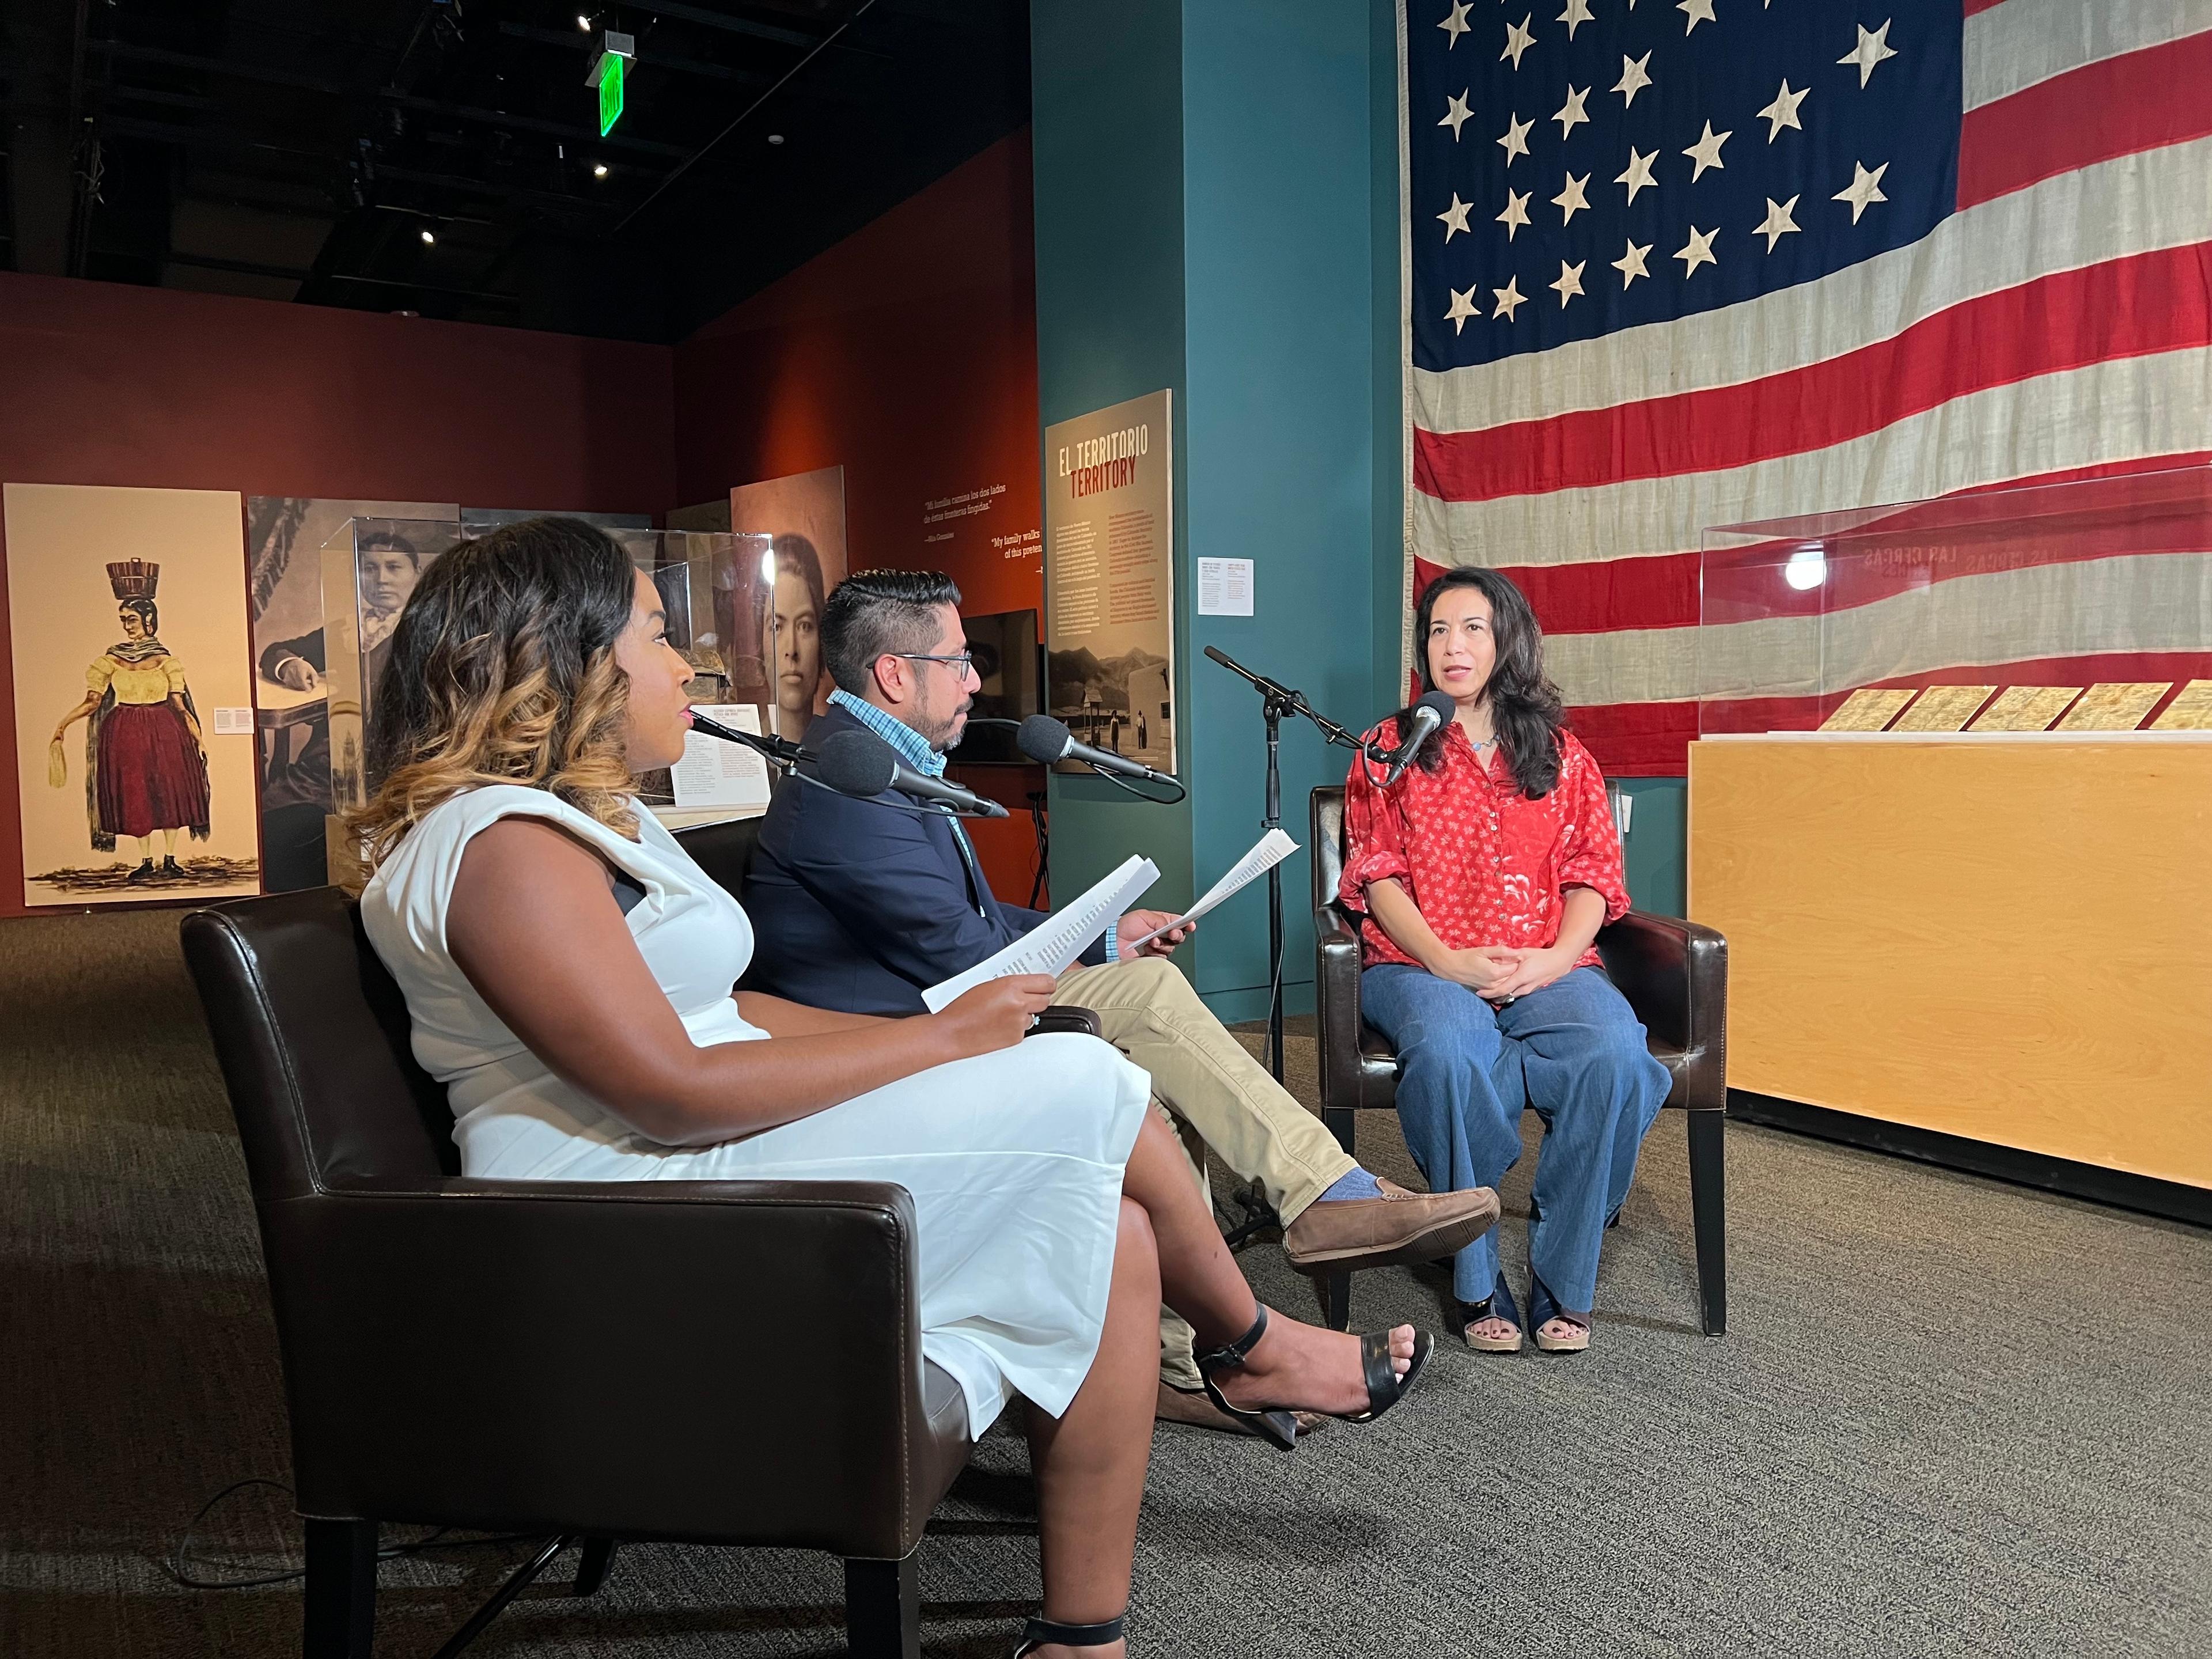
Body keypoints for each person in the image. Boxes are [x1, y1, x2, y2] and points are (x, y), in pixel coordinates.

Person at [347, 519, 1430, 1659]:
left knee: (1108, 1227)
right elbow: (664, 1089)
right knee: (1082, 1074)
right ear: (562, 661)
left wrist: (939, 1033)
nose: (687, 669)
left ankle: (1084, 1634)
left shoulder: (578, 823)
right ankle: (1251, 1340)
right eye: (660, 639)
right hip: (624, 1215)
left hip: (688, 1158)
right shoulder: (498, 841)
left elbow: (728, 1015)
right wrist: (941, 1045)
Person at [743, 569, 1498, 1434]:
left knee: (1142, 1039)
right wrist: (1106, 952)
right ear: (893, 675)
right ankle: (1321, 1200)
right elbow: (958, 955)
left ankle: (1187, 1360)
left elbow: (969, 922)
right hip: (885, 1056)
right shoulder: (851, 788)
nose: (976, 680)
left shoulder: (874, 760)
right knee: (1141, 998)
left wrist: (1106, 933)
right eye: (958, 661)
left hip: (935, 1011)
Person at [1339, 566, 1670, 1355]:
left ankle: (1566, 1275)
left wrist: (1556, 959)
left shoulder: (1563, 755)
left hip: (1543, 965)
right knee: (1451, 1054)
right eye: (1438, 631)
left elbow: (1593, 875)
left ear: (1507, 639)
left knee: (1618, 1054)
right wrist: (1446, 962)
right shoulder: (1391, 747)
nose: (1452, 646)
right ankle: (1474, 1271)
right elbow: (1376, 877)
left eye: (1472, 629)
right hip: (1422, 965)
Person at [48, 561, 211, 883]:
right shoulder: (110, 659)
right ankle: (146, 860)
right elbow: (93, 701)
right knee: (136, 793)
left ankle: (170, 858)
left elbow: (179, 706)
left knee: (168, 790)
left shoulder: (166, 660)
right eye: (123, 619)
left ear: (149, 619)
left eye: (132, 619)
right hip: (124, 732)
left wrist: (199, 739)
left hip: (165, 731)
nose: (127, 625)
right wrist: (62, 725)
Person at [760, 532, 827, 744]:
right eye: (777, 626)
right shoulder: (742, 754)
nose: (792, 650)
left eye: (805, 626)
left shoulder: (838, 753)